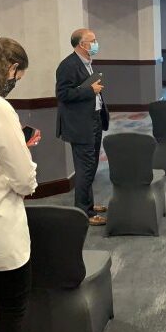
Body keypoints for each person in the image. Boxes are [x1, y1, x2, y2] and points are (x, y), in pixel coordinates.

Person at [0, 37, 38, 332]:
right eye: (18, 77)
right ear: (11, 68)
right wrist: (23, 150)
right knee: (11, 308)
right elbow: (23, 179)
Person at [56, 29, 109, 226]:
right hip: (80, 125)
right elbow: (63, 94)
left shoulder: (87, 63)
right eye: (92, 41)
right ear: (81, 44)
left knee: (91, 166)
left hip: (93, 119)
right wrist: (89, 90)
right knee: (84, 168)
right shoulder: (68, 65)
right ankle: (83, 213)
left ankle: (89, 204)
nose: (96, 43)